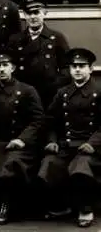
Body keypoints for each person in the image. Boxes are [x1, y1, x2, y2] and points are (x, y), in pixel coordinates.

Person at [0, 50, 44, 225]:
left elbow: (38, 119)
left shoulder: (27, 90)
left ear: (13, 68)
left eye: (5, 66)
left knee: (10, 165)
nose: (1, 70)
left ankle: (5, 204)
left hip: (18, 144)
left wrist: (22, 139)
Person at [38, 48, 101, 228]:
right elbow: (50, 121)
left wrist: (93, 143)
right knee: (49, 164)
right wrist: (51, 140)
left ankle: (85, 208)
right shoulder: (63, 93)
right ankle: (63, 205)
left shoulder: (99, 92)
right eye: (74, 66)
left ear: (90, 69)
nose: (78, 70)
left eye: (82, 66)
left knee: (81, 167)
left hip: (92, 148)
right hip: (66, 145)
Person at [8, 0, 70, 107]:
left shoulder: (56, 37)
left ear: (44, 13)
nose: (32, 17)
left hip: (49, 92)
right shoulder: (15, 39)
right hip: (23, 92)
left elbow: (66, 66)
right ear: (24, 15)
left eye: (36, 12)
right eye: (29, 13)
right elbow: (11, 67)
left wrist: (56, 85)